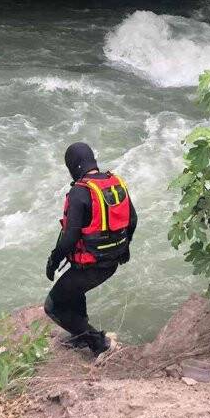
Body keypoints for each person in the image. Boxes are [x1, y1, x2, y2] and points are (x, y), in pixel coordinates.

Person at [44, 142, 137, 356]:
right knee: (74, 290)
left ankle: (100, 344)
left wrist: (53, 261)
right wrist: (124, 247)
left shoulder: (79, 193)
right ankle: (79, 337)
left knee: (53, 306)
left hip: (91, 266)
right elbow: (133, 220)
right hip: (109, 263)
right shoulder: (116, 183)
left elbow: (69, 239)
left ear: (73, 166)